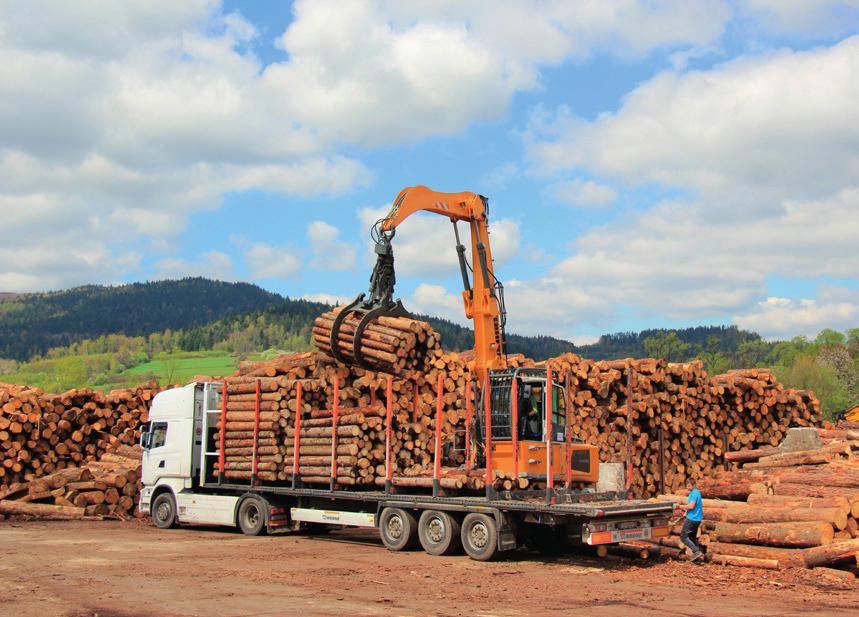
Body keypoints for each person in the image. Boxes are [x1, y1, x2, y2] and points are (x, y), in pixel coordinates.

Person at [676, 479, 704, 562]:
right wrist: (685, 512)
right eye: (687, 485)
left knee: (683, 537)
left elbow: (691, 506)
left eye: (690, 485)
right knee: (692, 537)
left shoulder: (695, 493)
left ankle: (697, 551)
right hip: (696, 518)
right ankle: (697, 558)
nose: (688, 486)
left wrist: (679, 506)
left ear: (694, 484)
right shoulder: (693, 493)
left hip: (693, 519)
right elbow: (693, 507)